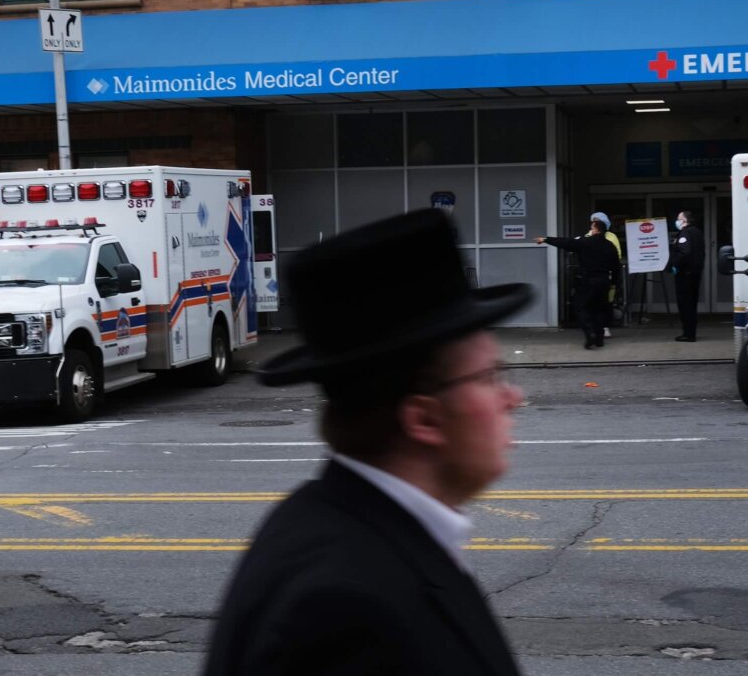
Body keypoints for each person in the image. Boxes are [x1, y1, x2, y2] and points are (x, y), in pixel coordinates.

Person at [203, 208, 531, 676]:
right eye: (490, 376)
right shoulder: (350, 611)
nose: (512, 397)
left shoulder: (328, 522)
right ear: (425, 419)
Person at [536, 220, 620, 349]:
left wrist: (546, 239)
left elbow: (566, 242)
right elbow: (616, 267)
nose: (590, 230)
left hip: (588, 280)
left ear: (597, 229)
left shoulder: (585, 242)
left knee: (581, 307)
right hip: (603, 281)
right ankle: (599, 338)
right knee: (599, 309)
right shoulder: (610, 246)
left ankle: (589, 332)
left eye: (592, 227)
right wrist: (614, 282)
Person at [667, 209, 705, 342]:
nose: (676, 221)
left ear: (684, 221)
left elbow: (685, 252)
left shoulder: (685, 233)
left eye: (678, 218)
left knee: (685, 305)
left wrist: (675, 265)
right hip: (695, 274)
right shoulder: (697, 232)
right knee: (692, 304)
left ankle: (688, 334)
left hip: (685, 275)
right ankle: (691, 332)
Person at [590, 211, 622, 338]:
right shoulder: (588, 235)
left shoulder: (611, 237)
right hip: (592, 274)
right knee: (593, 302)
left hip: (606, 274)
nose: (594, 223)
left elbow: (617, 255)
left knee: (606, 302)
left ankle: (605, 326)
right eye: (593, 220)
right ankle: (594, 327)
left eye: (596, 221)